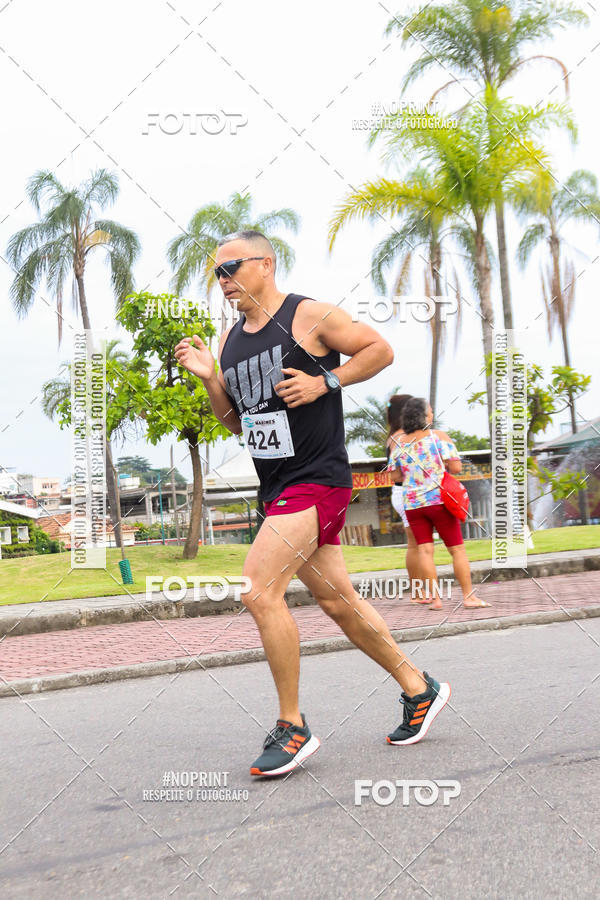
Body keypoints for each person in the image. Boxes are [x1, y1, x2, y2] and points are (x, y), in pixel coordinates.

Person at [174, 230, 451, 775]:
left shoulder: (309, 316)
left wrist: (326, 381)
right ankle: (420, 688)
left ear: (266, 264)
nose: (223, 280)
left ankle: (293, 726)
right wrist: (211, 379)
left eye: (231, 267)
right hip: (276, 485)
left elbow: (380, 349)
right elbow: (238, 423)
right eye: (216, 273)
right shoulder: (230, 341)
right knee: (337, 603)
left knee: (258, 589)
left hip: (318, 477)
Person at [388, 397, 490, 610]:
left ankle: (435, 600)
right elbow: (456, 468)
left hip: (414, 504)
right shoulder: (438, 437)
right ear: (423, 415)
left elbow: (395, 477)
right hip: (439, 501)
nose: (432, 415)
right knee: (457, 550)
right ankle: (469, 597)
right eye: (430, 411)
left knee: (425, 551)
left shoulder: (399, 443)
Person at [385, 394, 428, 604]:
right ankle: (419, 593)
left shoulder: (394, 436)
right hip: (408, 492)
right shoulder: (401, 437)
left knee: (417, 544)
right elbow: (401, 470)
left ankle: (421, 591)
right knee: (417, 545)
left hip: (403, 492)